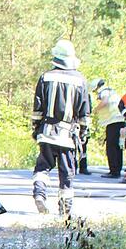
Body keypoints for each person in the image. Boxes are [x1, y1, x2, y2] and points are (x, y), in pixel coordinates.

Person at [30, 39, 91, 217]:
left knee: (43, 166)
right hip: (68, 136)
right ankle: (65, 209)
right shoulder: (80, 80)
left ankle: (39, 193)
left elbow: (38, 108)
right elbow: (84, 111)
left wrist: (36, 128)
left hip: (47, 132)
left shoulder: (46, 77)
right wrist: (84, 133)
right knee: (66, 173)